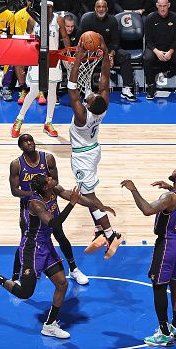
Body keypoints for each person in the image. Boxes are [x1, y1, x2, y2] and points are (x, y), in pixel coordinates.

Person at [0, 176, 105, 339]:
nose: (51, 178)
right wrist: (72, 204)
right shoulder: (35, 203)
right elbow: (54, 224)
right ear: (45, 188)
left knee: (62, 283)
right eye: (48, 180)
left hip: (46, 245)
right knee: (25, 293)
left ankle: (49, 325)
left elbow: (74, 196)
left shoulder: (54, 190)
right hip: (32, 248)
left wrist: (99, 206)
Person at [120, 165, 176, 346]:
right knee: (175, 280)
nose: (174, 170)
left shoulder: (169, 198)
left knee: (159, 286)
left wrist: (133, 189)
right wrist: (170, 187)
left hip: (168, 244)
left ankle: (163, 332)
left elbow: (147, 209)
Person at [8, 133, 93, 285]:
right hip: (29, 209)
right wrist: (33, 194)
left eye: (31, 140)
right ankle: (16, 276)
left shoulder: (47, 159)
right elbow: (15, 191)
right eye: (26, 142)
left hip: (48, 203)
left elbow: (55, 181)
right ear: (21, 147)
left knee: (60, 235)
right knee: (25, 242)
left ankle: (73, 269)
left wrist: (46, 193)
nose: (29, 143)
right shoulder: (16, 164)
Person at [67, 41, 125, 259]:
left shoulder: (82, 117)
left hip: (83, 156)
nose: (89, 94)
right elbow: (104, 82)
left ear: (88, 106)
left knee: (88, 196)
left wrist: (79, 57)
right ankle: (100, 231)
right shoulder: (103, 107)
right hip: (93, 149)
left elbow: (72, 88)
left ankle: (112, 234)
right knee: (87, 193)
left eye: (89, 98)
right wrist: (104, 58)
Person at [12, 0, 70, 138]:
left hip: (53, 58)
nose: (48, 10)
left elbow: (65, 37)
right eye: (46, 8)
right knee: (33, 91)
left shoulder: (59, 20)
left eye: (50, 8)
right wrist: (23, 62)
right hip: (36, 59)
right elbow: (26, 41)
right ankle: (19, 119)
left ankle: (48, 123)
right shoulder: (32, 19)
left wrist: (68, 55)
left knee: (52, 91)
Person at [80, 0, 138, 101]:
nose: (101, 9)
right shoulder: (87, 20)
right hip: (93, 51)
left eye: (103, 7)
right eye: (99, 7)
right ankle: (87, 90)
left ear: (107, 8)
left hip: (109, 50)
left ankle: (126, 89)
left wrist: (111, 54)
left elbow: (115, 41)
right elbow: (81, 40)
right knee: (85, 59)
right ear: (95, 8)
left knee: (125, 55)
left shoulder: (112, 20)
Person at [143, 0, 176, 100]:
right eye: (160, 6)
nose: (162, 8)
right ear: (157, 6)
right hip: (155, 49)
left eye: (164, 6)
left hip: (171, 48)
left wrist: (170, 52)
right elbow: (148, 40)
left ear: (168, 5)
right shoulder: (150, 18)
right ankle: (151, 86)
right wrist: (157, 52)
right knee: (147, 58)